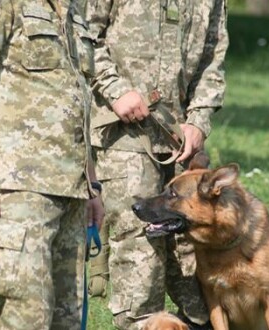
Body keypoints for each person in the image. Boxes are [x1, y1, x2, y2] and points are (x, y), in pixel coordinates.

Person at [0, 0, 105, 329]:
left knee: (67, 321)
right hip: (21, 193)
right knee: (25, 318)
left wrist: (92, 185)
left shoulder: (70, 9)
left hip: (71, 193)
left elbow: (75, 100)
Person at [85, 0, 229, 329]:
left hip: (181, 136)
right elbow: (83, 36)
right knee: (139, 238)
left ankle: (204, 322)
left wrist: (199, 121)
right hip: (122, 130)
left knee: (190, 237)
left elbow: (213, 58)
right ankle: (142, 324)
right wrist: (116, 89)